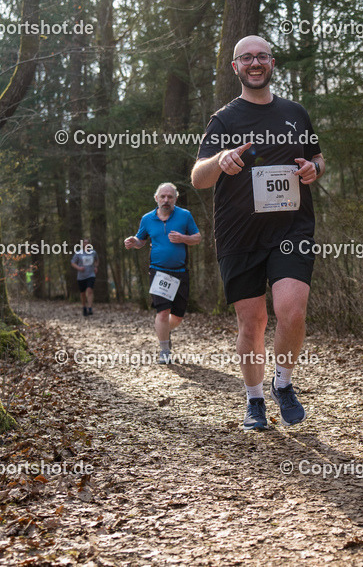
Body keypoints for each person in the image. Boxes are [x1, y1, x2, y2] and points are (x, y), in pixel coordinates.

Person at [191, 35, 324, 431]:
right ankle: (254, 401)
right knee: (253, 324)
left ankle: (283, 384)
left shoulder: (295, 113)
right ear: (235, 67)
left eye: (261, 56)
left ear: (271, 63)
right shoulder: (225, 119)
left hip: (291, 227)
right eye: (246, 57)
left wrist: (315, 169)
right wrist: (221, 159)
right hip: (239, 234)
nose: (254, 62)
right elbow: (198, 177)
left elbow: (316, 157)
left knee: (292, 311)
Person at [124, 182, 201, 364]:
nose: (166, 200)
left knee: (178, 316)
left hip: (180, 271)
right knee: (163, 311)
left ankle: (165, 331)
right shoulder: (147, 219)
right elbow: (141, 240)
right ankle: (164, 350)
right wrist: (133, 241)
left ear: (175, 198)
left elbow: (197, 238)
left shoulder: (185, 216)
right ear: (156, 198)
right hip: (159, 272)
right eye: (163, 196)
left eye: (170, 197)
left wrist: (183, 238)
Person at [70, 239, 97, 316]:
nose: (86, 244)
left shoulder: (93, 252)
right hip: (81, 276)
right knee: (82, 293)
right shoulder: (78, 253)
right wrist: (78, 268)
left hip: (91, 274)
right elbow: (72, 262)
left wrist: (95, 267)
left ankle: (90, 307)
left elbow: (96, 261)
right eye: (84, 243)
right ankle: (84, 307)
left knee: (89, 290)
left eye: (87, 242)